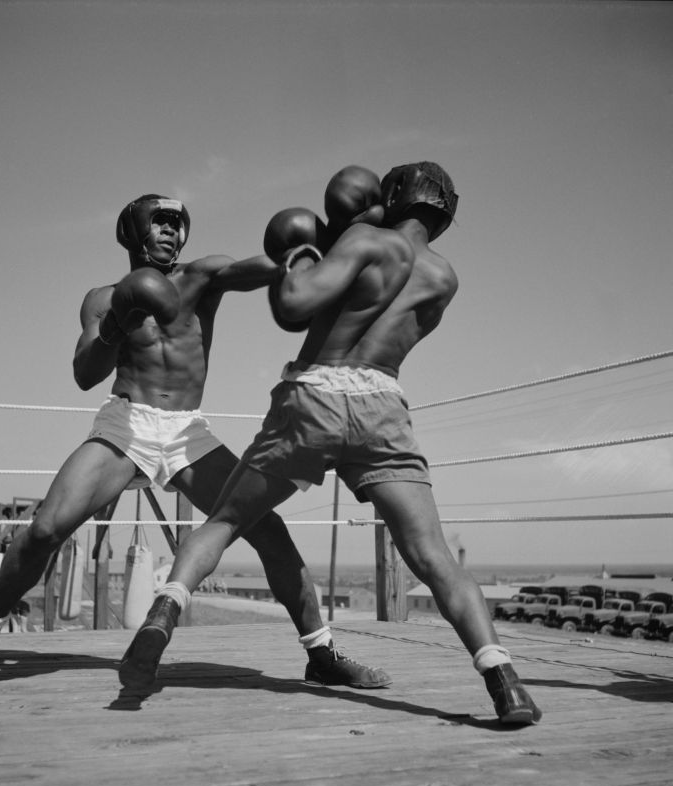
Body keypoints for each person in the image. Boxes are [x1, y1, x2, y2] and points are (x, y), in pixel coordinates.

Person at [120, 165, 542, 725]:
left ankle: (162, 616)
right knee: (431, 553)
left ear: (390, 198)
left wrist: (300, 252)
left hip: (315, 396)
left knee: (225, 521)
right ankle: (504, 682)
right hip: (383, 408)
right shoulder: (445, 277)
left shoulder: (366, 242)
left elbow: (293, 306)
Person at [0, 193, 390, 693]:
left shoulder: (202, 277)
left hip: (186, 430)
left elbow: (266, 267)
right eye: (160, 221)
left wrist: (330, 237)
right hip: (125, 423)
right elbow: (85, 374)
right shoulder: (102, 298)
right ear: (133, 231)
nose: (171, 231)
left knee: (267, 529)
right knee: (45, 529)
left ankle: (320, 652)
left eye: (178, 223)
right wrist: (116, 324)